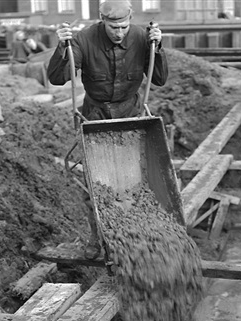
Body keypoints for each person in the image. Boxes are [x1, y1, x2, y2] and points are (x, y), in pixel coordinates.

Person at [47, 0, 168, 260]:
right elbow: (57, 79)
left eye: (124, 27)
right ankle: (98, 238)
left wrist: (157, 48)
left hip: (131, 116)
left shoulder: (142, 37)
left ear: (131, 20)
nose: (119, 32)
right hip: (96, 118)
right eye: (113, 27)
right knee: (98, 184)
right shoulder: (84, 39)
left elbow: (159, 79)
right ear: (102, 20)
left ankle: (140, 236)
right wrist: (62, 47)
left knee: (135, 179)